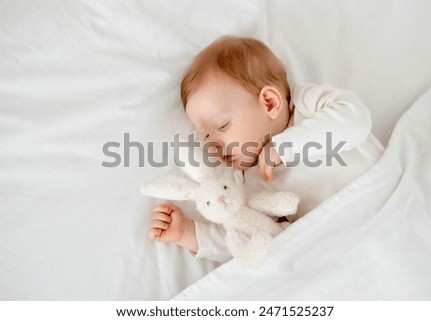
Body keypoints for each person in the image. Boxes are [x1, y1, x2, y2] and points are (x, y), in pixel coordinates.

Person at [148, 36, 385, 262]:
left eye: (222, 125)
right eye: (206, 136)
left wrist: (284, 147)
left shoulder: (308, 105)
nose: (212, 145)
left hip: (384, 196)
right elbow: (255, 239)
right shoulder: (249, 180)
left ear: (269, 102)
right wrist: (189, 234)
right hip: (343, 241)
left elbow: (355, 122)